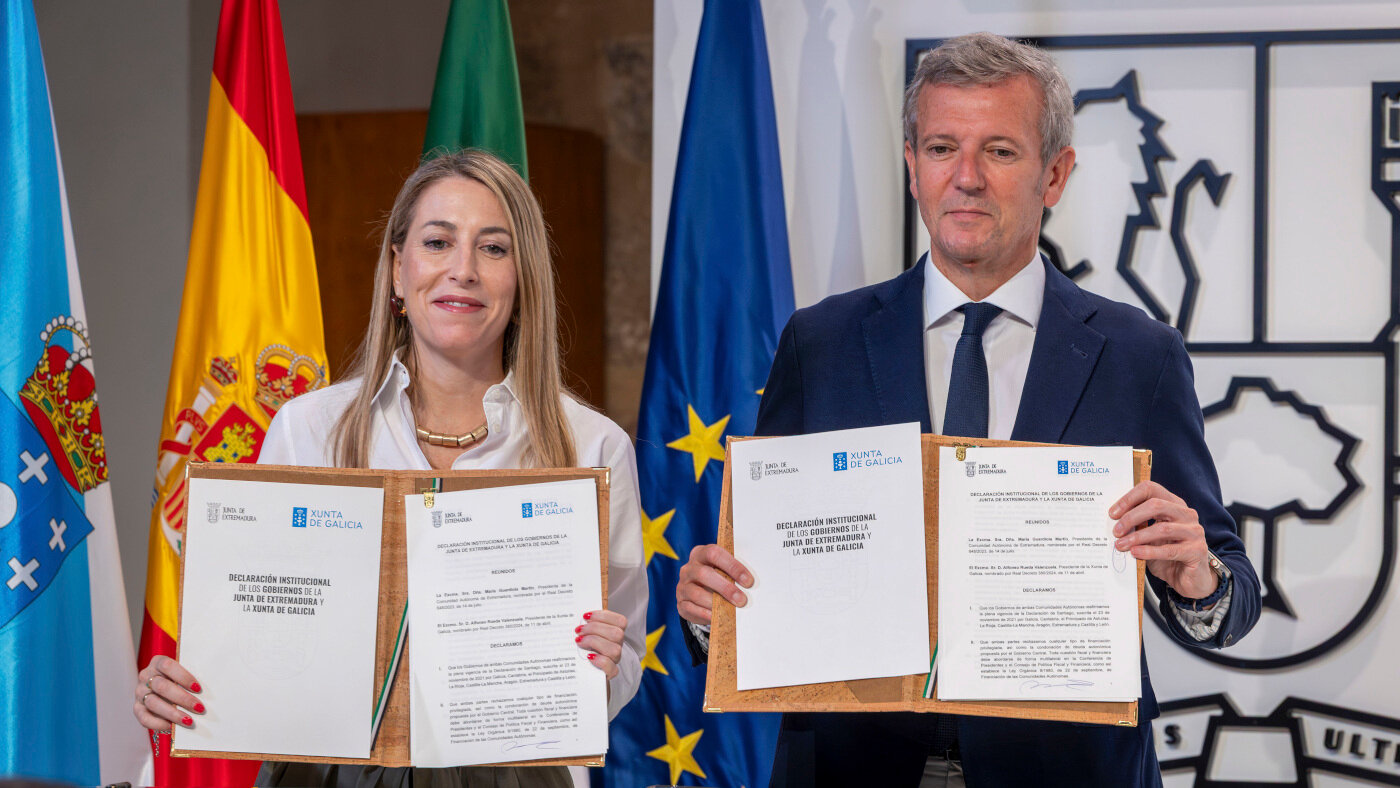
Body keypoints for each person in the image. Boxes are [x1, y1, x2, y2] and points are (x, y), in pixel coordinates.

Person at [676, 32, 1260, 788]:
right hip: (851, 768)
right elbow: (764, 565)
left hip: (1067, 771)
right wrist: (709, 607)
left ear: (1055, 175)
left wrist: (1195, 574)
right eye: (944, 147)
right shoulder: (818, 341)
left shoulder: (1138, 354)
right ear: (912, 166)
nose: (968, 178)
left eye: (1001, 152)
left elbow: (1233, 598)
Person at [133, 149, 648, 788]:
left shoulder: (591, 447)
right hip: (326, 773)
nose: (463, 270)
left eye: (493, 248)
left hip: (517, 772)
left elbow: (624, 661)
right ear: (397, 271)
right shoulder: (307, 428)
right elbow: (255, 633)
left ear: (523, 280)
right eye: (438, 242)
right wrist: (180, 682)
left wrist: (600, 665)